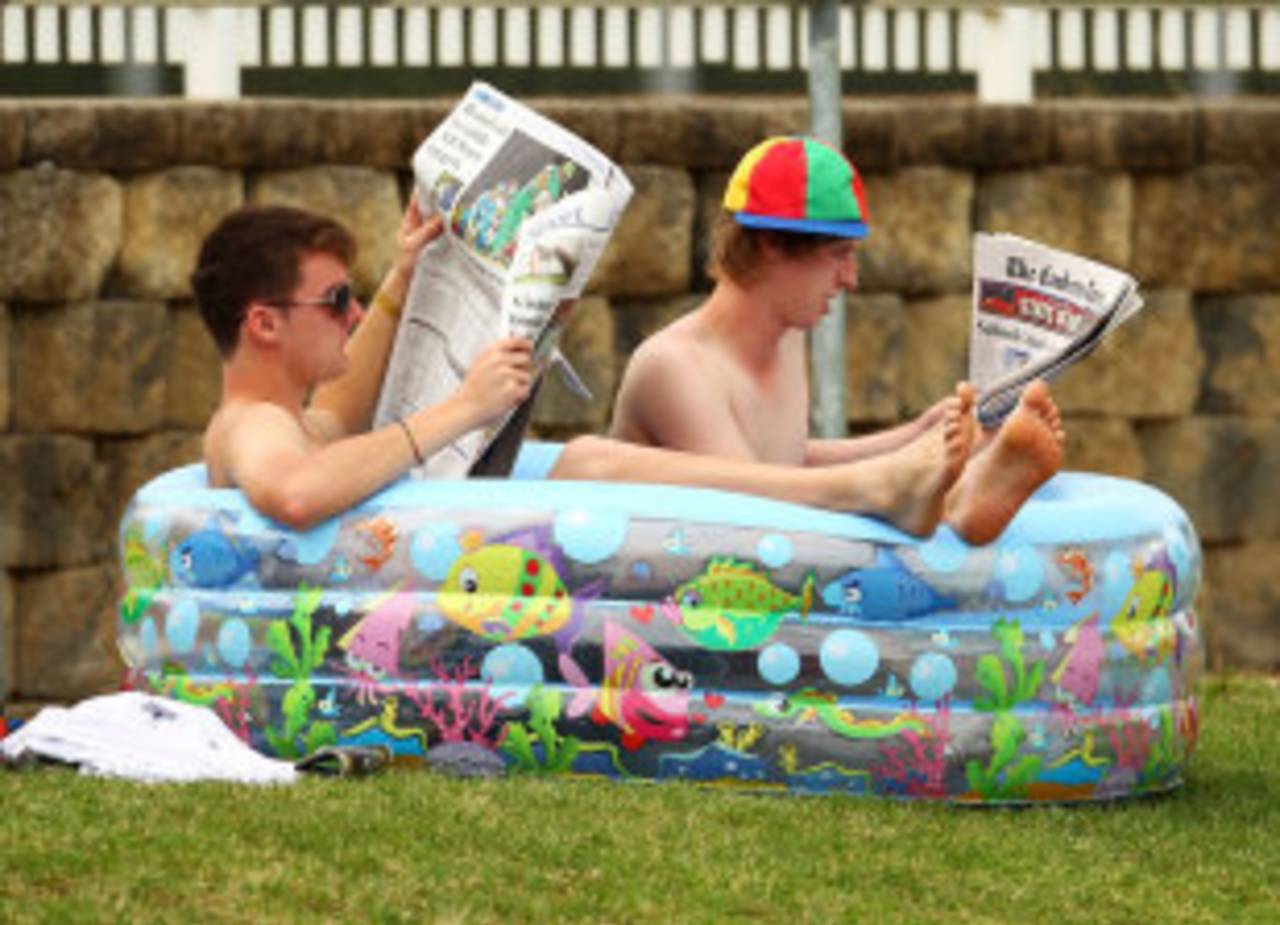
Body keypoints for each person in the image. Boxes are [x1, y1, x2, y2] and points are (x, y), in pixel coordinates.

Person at [551, 136, 1064, 544]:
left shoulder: (786, 341)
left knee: (907, 467)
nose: (851, 279)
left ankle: (950, 492)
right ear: (771, 244)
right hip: (664, 608)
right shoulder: (675, 366)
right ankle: (946, 501)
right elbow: (753, 517)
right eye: (838, 254)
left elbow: (783, 466)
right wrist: (892, 474)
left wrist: (916, 434)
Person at [191, 199, 534, 529]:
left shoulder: (293, 424)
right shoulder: (253, 423)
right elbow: (294, 493)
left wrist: (402, 277)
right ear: (266, 324)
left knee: (585, 457)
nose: (355, 314)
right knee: (585, 461)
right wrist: (465, 407)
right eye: (336, 300)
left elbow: (338, 411)